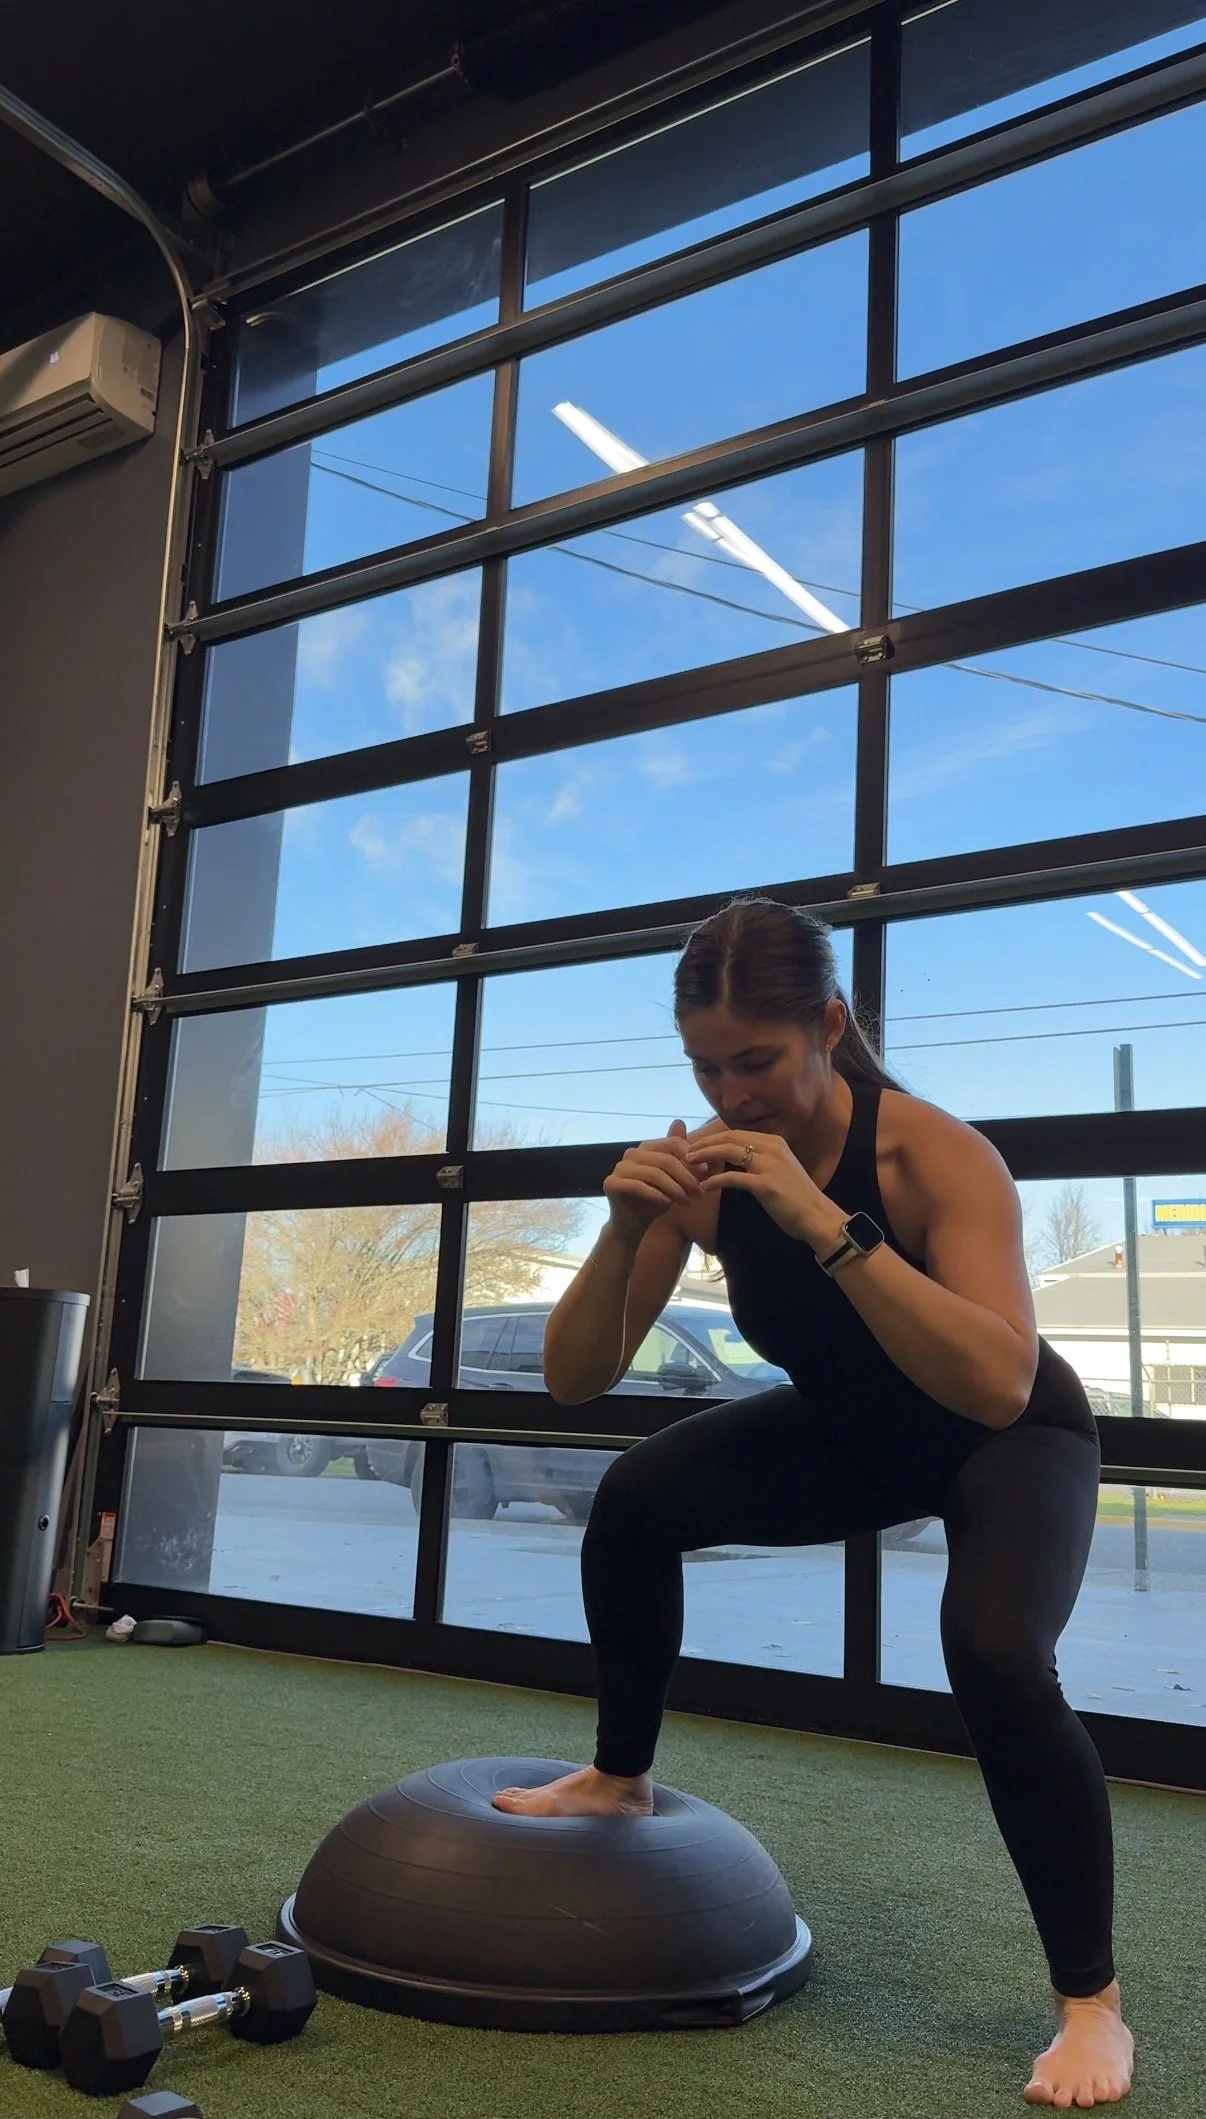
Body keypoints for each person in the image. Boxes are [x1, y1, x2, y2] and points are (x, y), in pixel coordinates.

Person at [492, 895, 1134, 2109]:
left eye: (759, 1061)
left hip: (1008, 1437)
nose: (734, 1094)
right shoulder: (702, 1178)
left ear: (829, 1026)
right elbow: (576, 1380)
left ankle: (1090, 2003)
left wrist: (826, 1226)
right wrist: (623, 1228)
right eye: (706, 1067)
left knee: (995, 1650)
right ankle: (618, 1774)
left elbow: (996, 1381)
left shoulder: (931, 1154)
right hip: (857, 1433)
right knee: (634, 1495)